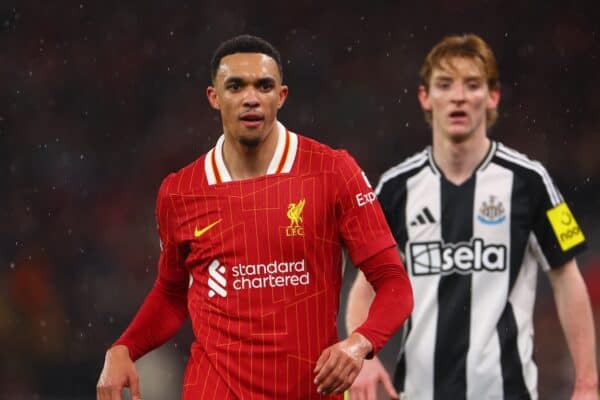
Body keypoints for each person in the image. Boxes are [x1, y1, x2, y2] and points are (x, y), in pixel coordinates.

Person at [96, 34, 413, 400]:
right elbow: (172, 293)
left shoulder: (332, 171)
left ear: (281, 96)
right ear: (214, 97)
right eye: (236, 86)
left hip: (309, 390)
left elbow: (394, 283)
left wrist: (360, 343)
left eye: (264, 86)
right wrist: (124, 347)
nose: (251, 97)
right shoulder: (179, 191)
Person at [346, 34, 598, 400]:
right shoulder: (396, 188)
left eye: (472, 84)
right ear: (425, 97)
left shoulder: (530, 181)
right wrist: (363, 356)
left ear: (492, 96)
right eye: (445, 85)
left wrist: (588, 384)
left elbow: (567, 277)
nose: (459, 96)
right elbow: (365, 285)